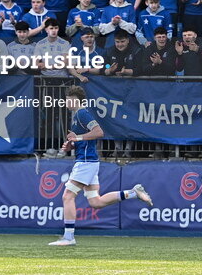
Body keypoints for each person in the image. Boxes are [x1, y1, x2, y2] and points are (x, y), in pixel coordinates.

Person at [49, 86, 152, 246]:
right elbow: (83, 140)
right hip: (88, 161)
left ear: (77, 100)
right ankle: (133, 193)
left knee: (67, 196)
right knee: (96, 202)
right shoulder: (76, 116)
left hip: (86, 163)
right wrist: (72, 146)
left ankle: (69, 237)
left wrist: (78, 138)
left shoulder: (82, 113)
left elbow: (99, 132)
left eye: (69, 99)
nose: (66, 102)